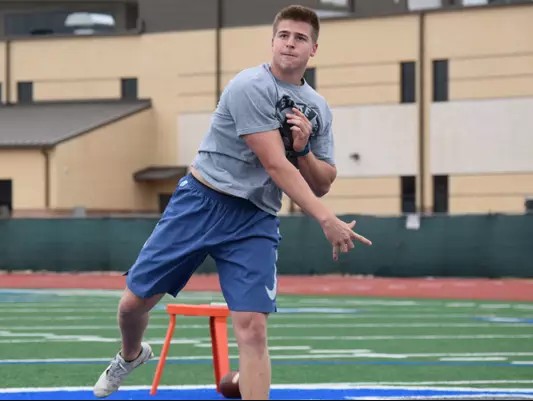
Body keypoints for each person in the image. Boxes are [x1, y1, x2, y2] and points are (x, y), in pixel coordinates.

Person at [93, 4, 372, 400]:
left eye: (300, 38)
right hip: (202, 201)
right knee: (131, 306)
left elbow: (323, 180)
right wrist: (326, 219)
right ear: (272, 41)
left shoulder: (318, 108)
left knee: (254, 328)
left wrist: (304, 148)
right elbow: (274, 164)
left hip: (254, 219)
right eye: (284, 35)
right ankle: (131, 355)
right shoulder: (250, 85)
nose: (290, 43)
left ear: (313, 49)